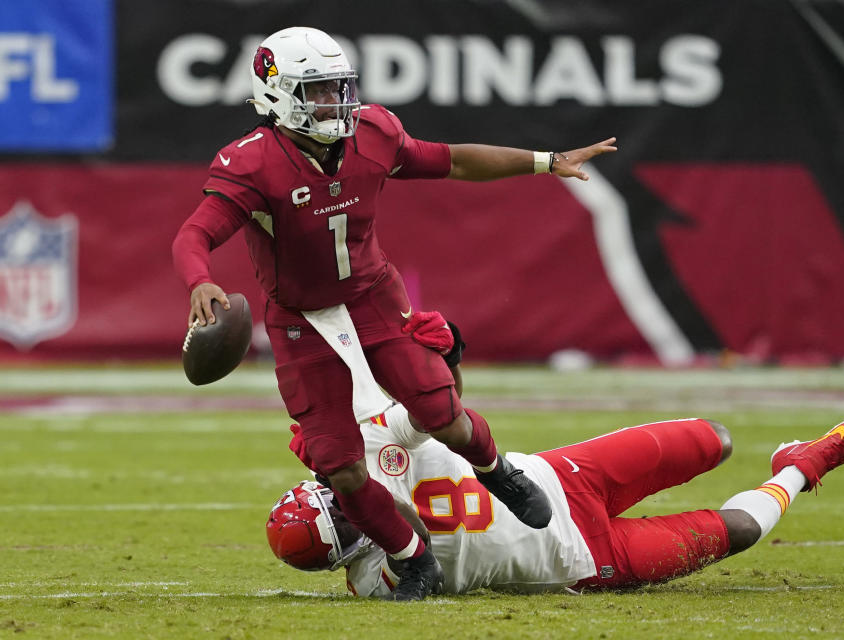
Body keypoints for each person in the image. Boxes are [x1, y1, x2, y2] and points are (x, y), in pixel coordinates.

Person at [171, 25, 617, 601]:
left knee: (440, 412)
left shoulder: (374, 133)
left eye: (339, 88)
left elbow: (452, 161)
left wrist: (545, 160)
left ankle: (496, 470)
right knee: (341, 466)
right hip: (300, 319)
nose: (337, 103)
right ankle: (414, 560)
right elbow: (194, 233)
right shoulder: (253, 163)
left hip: (371, 297)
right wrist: (200, 281)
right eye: (319, 91)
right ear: (276, 94)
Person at [271, 404, 844, 596]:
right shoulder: (377, 579)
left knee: (713, 440)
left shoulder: (365, 448)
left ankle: (788, 455)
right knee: (740, 530)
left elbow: (431, 410)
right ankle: (803, 465)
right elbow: (406, 531)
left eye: (337, 499)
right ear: (342, 557)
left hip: (563, 477)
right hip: (584, 557)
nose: (353, 509)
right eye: (347, 525)